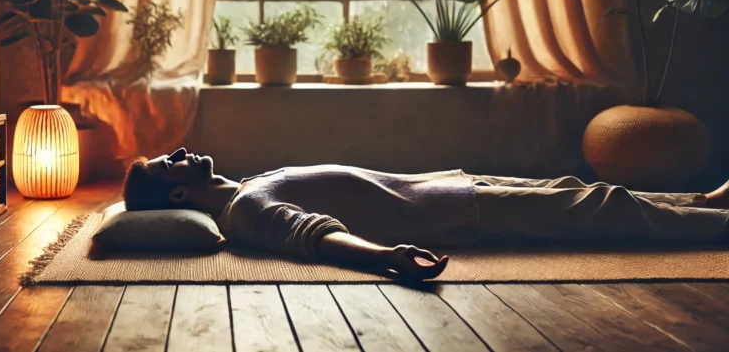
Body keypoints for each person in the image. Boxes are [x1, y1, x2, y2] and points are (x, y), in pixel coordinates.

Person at [121, 148, 729, 281]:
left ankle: (706, 203)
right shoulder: (247, 209)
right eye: (167, 165)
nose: (179, 153)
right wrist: (387, 259)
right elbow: (315, 238)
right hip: (457, 213)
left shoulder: (247, 184)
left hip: (449, 185)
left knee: (579, 188)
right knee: (598, 210)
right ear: (177, 196)